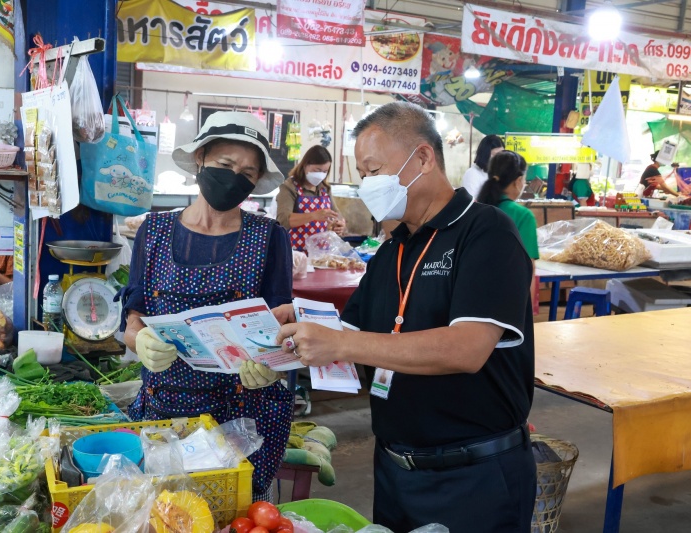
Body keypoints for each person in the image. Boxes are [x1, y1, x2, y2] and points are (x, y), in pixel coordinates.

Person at [273, 102, 536, 532]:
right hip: (394, 471)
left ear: (424, 158)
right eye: (362, 175)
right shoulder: (391, 251)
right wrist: (297, 321)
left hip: (474, 478)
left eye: (374, 170)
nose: (367, 186)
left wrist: (340, 342)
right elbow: (351, 330)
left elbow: (466, 349)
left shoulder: (487, 233)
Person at [118, 112, 294, 501]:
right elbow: (133, 318)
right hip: (163, 413)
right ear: (200, 158)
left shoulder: (269, 238)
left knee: (233, 514)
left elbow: (284, 328)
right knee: (166, 512)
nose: (234, 178)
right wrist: (140, 341)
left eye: (247, 173)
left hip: (242, 420)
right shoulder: (154, 231)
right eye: (225, 165)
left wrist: (272, 366)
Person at [477, 150, 540, 305]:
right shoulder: (523, 216)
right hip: (506, 301)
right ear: (518, 181)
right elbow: (527, 271)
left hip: (472, 296)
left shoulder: (475, 211)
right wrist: (527, 312)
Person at [276, 145, 346, 251]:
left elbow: (336, 214)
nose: (321, 175)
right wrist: (313, 216)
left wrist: (340, 224)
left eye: (325, 171)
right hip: (296, 252)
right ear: (305, 165)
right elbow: (283, 220)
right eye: (317, 170)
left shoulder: (325, 189)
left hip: (321, 253)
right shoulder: (289, 187)